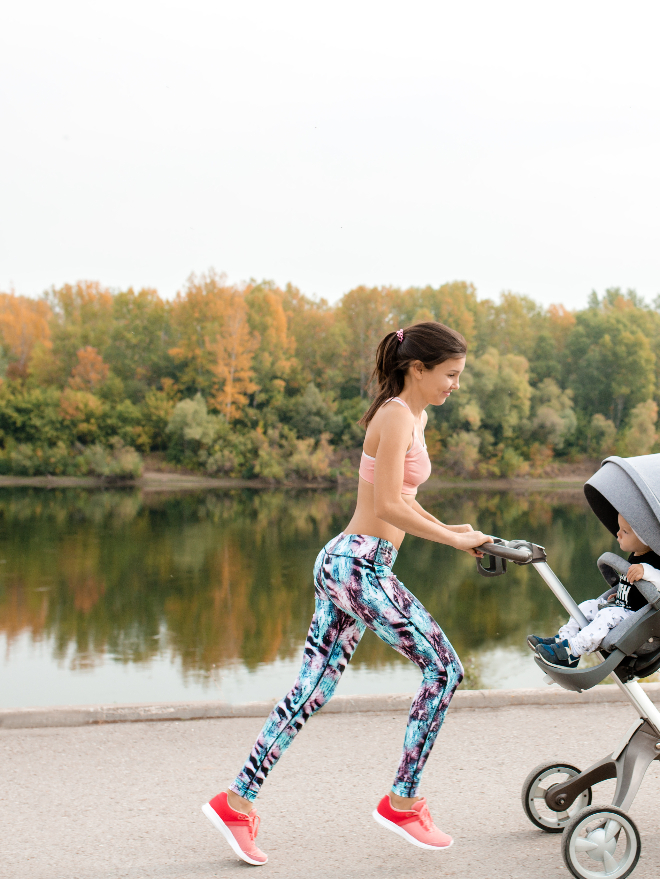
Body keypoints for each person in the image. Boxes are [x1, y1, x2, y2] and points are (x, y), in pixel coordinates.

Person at [202, 321, 489, 865]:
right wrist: (452, 539)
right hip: (359, 567)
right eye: (450, 375)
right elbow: (385, 509)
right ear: (418, 369)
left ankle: (235, 804)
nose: (456, 384)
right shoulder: (395, 416)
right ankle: (402, 804)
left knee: (312, 689)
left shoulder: (415, 416)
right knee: (444, 670)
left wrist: (460, 532)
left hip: (350, 563)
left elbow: (403, 497)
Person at [528, 512, 660, 667]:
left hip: (637, 619)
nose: (618, 534)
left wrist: (646, 571)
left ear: (645, 537)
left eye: (625, 531)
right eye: (619, 529)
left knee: (606, 615)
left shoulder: (654, 562)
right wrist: (622, 595)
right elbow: (634, 588)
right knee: (587, 606)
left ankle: (572, 651)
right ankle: (562, 640)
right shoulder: (634, 556)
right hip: (622, 608)